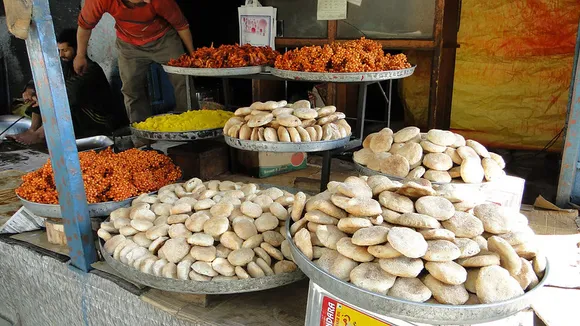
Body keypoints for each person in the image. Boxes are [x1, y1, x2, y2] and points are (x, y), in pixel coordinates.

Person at [75, 0, 195, 124]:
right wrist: (80, 55)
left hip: (164, 39)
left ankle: (192, 125)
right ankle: (142, 135)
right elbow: (85, 26)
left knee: (182, 80)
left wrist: (193, 55)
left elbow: (182, 26)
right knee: (131, 89)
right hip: (129, 44)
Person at [8, 28, 126, 145]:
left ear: (76, 48)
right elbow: (46, 79)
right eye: (59, 50)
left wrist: (44, 99)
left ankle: (40, 134)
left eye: (65, 50)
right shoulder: (66, 66)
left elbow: (68, 94)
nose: (61, 55)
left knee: (63, 103)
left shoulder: (91, 70)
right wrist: (31, 90)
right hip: (79, 114)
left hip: (98, 121)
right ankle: (33, 129)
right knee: (42, 91)